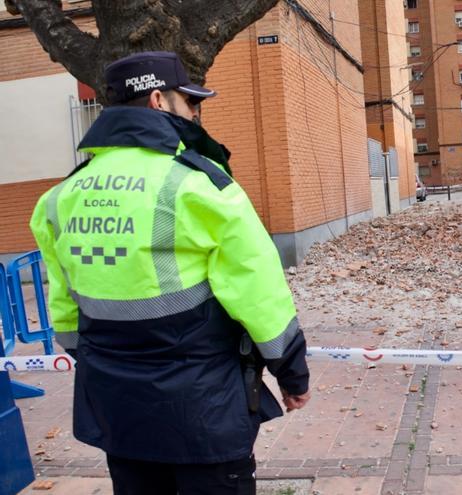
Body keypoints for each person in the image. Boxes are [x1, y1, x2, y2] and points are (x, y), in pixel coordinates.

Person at [29, 51, 310, 495]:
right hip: (203, 413)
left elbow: (63, 304)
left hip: (118, 409)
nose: (197, 115)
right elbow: (258, 292)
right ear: (159, 100)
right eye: (191, 103)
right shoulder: (200, 185)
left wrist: (102, 363)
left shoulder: (61, 195)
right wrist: (292, 374)